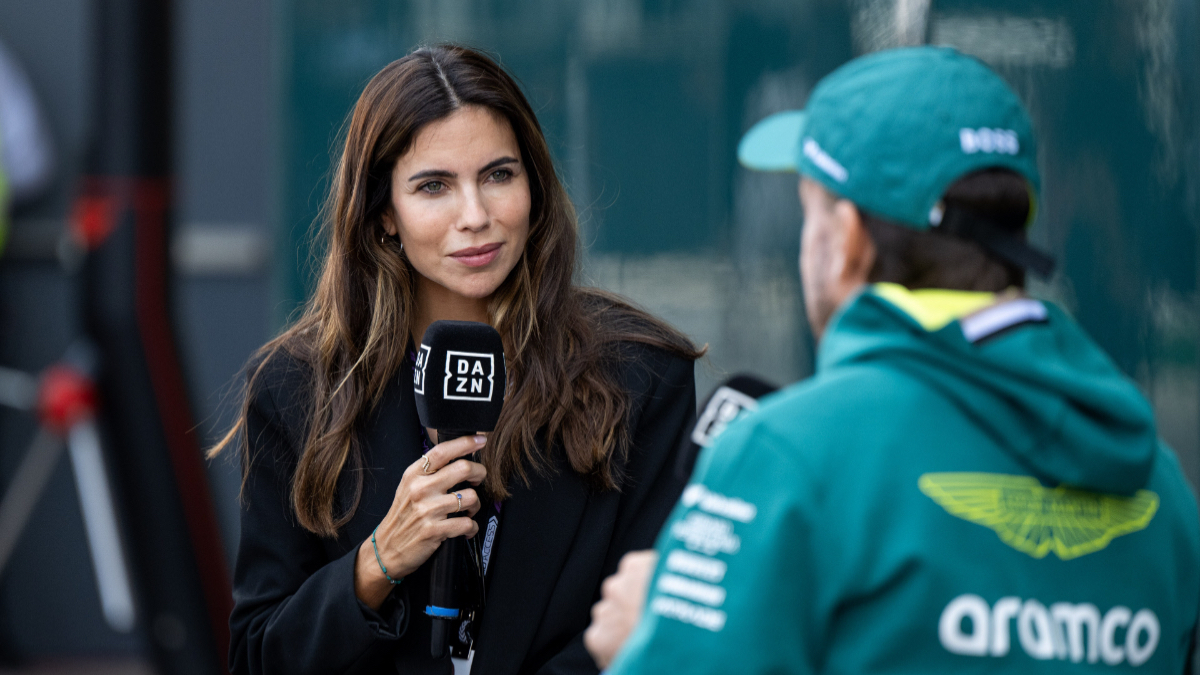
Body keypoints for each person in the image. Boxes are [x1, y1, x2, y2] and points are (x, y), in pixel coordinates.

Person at [585, 46, 1200, 673]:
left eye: (809, 214)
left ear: (845, 238)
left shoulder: (785, 456)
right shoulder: (1163, 489)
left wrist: (647, 640)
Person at [211, 44, 703, 675]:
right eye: (434, 185)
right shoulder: (296, 388)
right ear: (383, 213)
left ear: (535, 185)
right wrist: (377, 562)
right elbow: (259, 657)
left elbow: (654, 631)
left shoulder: (639, 375)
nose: (476, 217)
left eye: (499, 175)